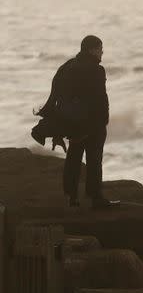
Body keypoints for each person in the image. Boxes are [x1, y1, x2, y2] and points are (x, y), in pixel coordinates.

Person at [34, 35, 116, 208]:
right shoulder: (96, 70)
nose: (102, 52)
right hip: (92, 124)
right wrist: (103, 121)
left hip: (72, 122)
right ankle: (94, 197)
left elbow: (56, 96)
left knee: (73, 157)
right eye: (100, 49)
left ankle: (71, 196)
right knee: (94, 160)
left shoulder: (67, 67)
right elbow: (100, 98)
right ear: (92, 49)